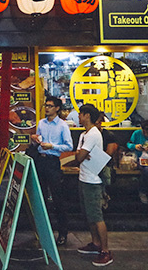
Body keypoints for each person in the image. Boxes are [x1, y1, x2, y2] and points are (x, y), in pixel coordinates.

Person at [70, 104, 114, 267]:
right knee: (89, 215)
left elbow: (80, 156)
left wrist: (81, 154)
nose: (78, 117)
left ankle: (105, 251)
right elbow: (79, 154)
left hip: (93, 181)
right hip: (84, 178)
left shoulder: (93, 134)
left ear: (87, 116)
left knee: (96, 216)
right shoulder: (84, 134)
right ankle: (95, 243)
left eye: (80, 114)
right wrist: (81, 154)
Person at [30, 96, 73, 246]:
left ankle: (62, 232)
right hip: (40, 161)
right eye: (46, 105)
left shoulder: (62, 126)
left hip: (53, 162)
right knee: (40, 197)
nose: (47, 108)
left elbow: (69, 146)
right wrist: (35, 139)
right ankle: (43, 231)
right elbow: (38, 140)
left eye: (50, 106)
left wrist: (53, 146)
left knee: (57, 197)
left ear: (57, 108)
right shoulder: (41, 123)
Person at [96, 112, 118, 209]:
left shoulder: (108, 135)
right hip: (92, 164)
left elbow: (108, 154)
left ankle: (102, 196)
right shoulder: (87, 134)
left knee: (102, 171)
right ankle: (102, 196)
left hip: (105, 164)